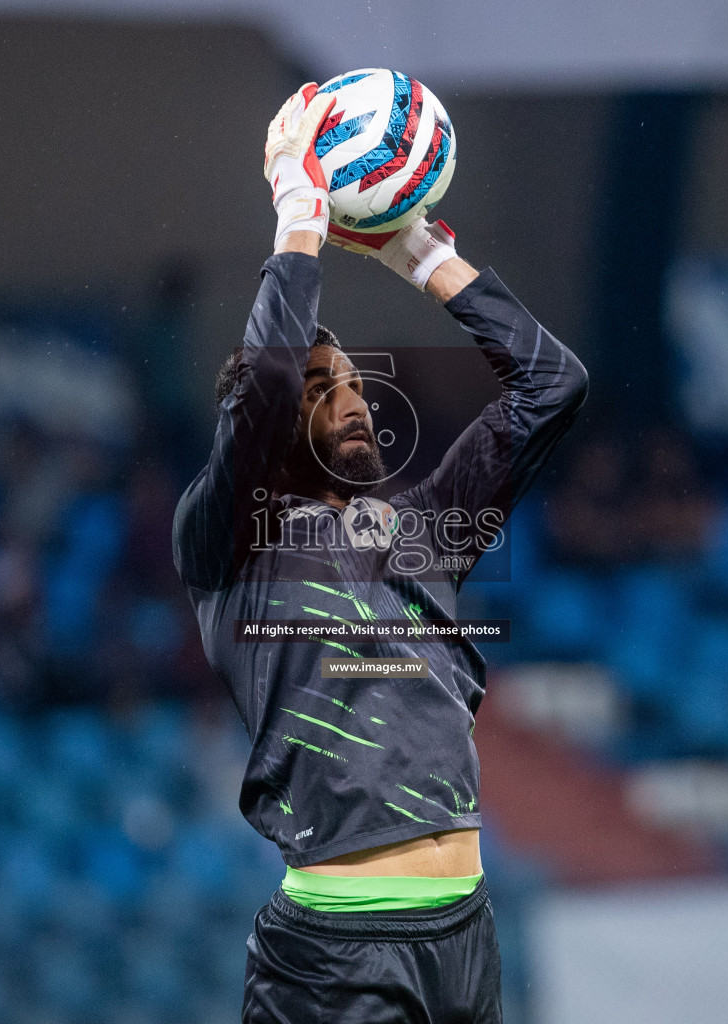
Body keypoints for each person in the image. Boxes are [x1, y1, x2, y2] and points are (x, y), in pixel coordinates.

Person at [173, 85, 588, 1023]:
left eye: (359, 383)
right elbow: (264, 384)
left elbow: (553, 385)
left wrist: (422, 256)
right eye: (325, 389)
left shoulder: (423, 528)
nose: (354, 399)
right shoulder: (228, 544)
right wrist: (300, 218)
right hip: (334, 957)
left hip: (466, 933)